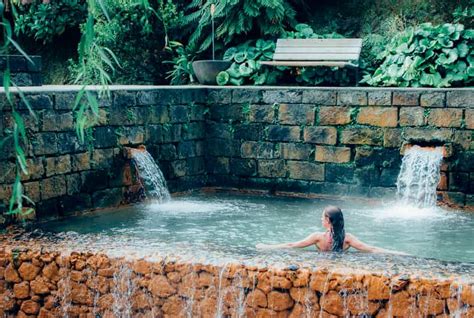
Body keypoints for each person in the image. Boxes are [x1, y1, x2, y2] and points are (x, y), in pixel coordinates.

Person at [256, 205, 402, 254]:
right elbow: (371, 249)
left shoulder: (318, 237)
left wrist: (267, 247)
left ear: (328, 221)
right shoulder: (348, 238)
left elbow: (292, 245)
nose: (320, 220)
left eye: (322, 218)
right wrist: (395, 252)